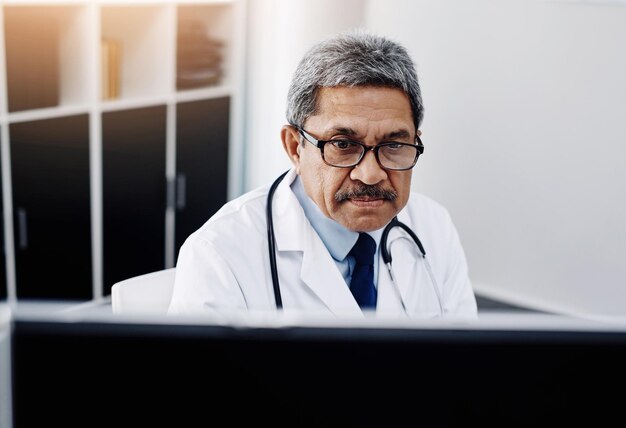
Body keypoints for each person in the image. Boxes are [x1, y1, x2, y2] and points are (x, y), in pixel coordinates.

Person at [168, 30, 477, 318]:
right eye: (343, 144)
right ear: (294, 147)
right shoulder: (219, 255)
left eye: (393, 144)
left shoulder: (434, 226)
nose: (370, 175)